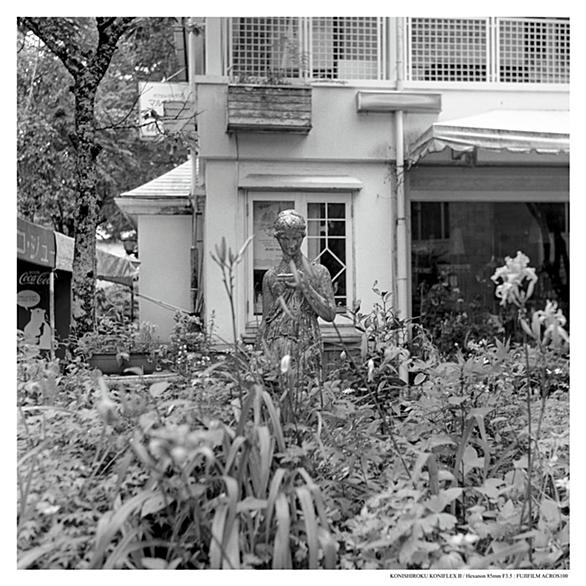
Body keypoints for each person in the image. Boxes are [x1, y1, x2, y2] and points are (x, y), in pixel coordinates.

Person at [256, 209, 336, 374]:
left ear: (303, 237)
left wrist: (305, 287)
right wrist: (257, 353)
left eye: (296, 238)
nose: (291, 244)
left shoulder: (319, 272)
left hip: (306, 344)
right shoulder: (270, 276)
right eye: (285, 238)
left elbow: (330, 314)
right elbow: (266, 321)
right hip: (275, 344)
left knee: (306, 386)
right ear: (277, 238)